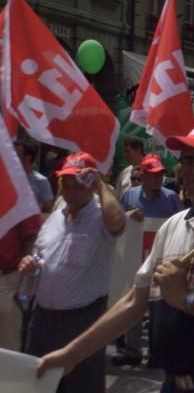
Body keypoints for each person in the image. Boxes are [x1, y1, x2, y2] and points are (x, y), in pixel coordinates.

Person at [37, 123, 194, 393]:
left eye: (192, 160)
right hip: (173, 384)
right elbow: (135, 300)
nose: (182, 169)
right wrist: (72, 354)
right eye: (182, 160)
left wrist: (186, 299)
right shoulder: (174, 226)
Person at [20, 152, 126, 393]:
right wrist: (30, 264)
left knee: (81, 385)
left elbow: (117, 222)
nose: (71, 191)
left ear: (90, 185)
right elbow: (39, 256)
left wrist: (100, 184)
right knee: (38, 384)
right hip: (43, 320)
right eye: (66, 185)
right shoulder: (54, 218)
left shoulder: (101, 216)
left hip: (82, 321)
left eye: (78, 185)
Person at [114, 153, 184, 365]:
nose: (157, 179)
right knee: (134, 303)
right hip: (134, 259)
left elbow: (182, 225)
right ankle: (132, 350)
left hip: (161, 260)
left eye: (160, 175)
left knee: (158, 307)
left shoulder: (171, 199)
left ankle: (156, 353)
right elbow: (116, 222)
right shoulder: (129, 197)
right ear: (142, 175)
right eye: (153, 175)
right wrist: (128, 216)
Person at [0, 214, 42, 351]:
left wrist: (27, 273)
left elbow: (33, 237)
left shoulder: (21, 201)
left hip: (7, 279)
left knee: (7, 345)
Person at [15, 140, 55, 212]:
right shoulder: (8, 178)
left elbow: (49, 209)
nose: (12, 159)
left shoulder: (41, 181)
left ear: (28, 158)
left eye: (16, 156)